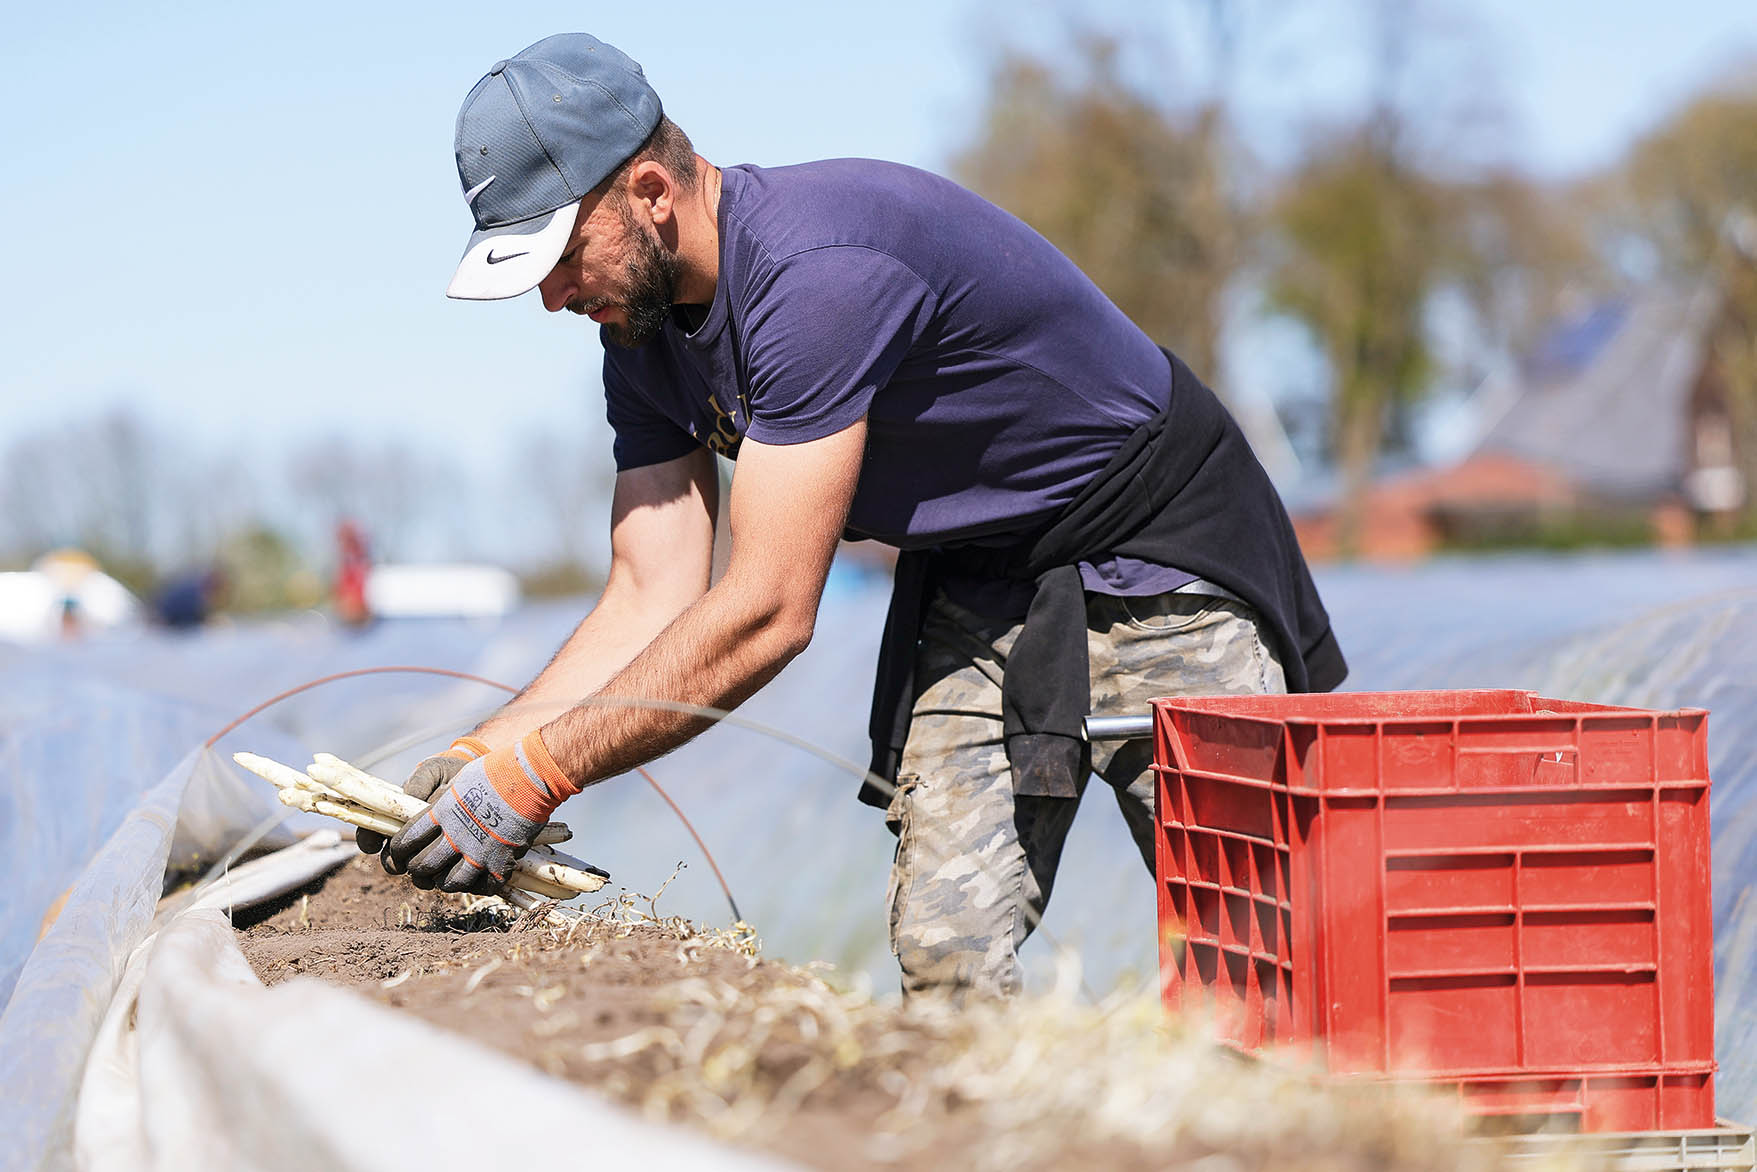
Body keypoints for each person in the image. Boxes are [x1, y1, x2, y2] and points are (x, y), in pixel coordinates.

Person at [363, 33, 1347, 999]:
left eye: (562, 254)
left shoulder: (816, 274)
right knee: (947, 945)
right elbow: (648, 589)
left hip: (1154, 546)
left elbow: (766, 611)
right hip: (984, 571)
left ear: (651, 196)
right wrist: (484, 752)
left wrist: (539, 774)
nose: (549, 297)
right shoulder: (638, 336)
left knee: (1260, 941)